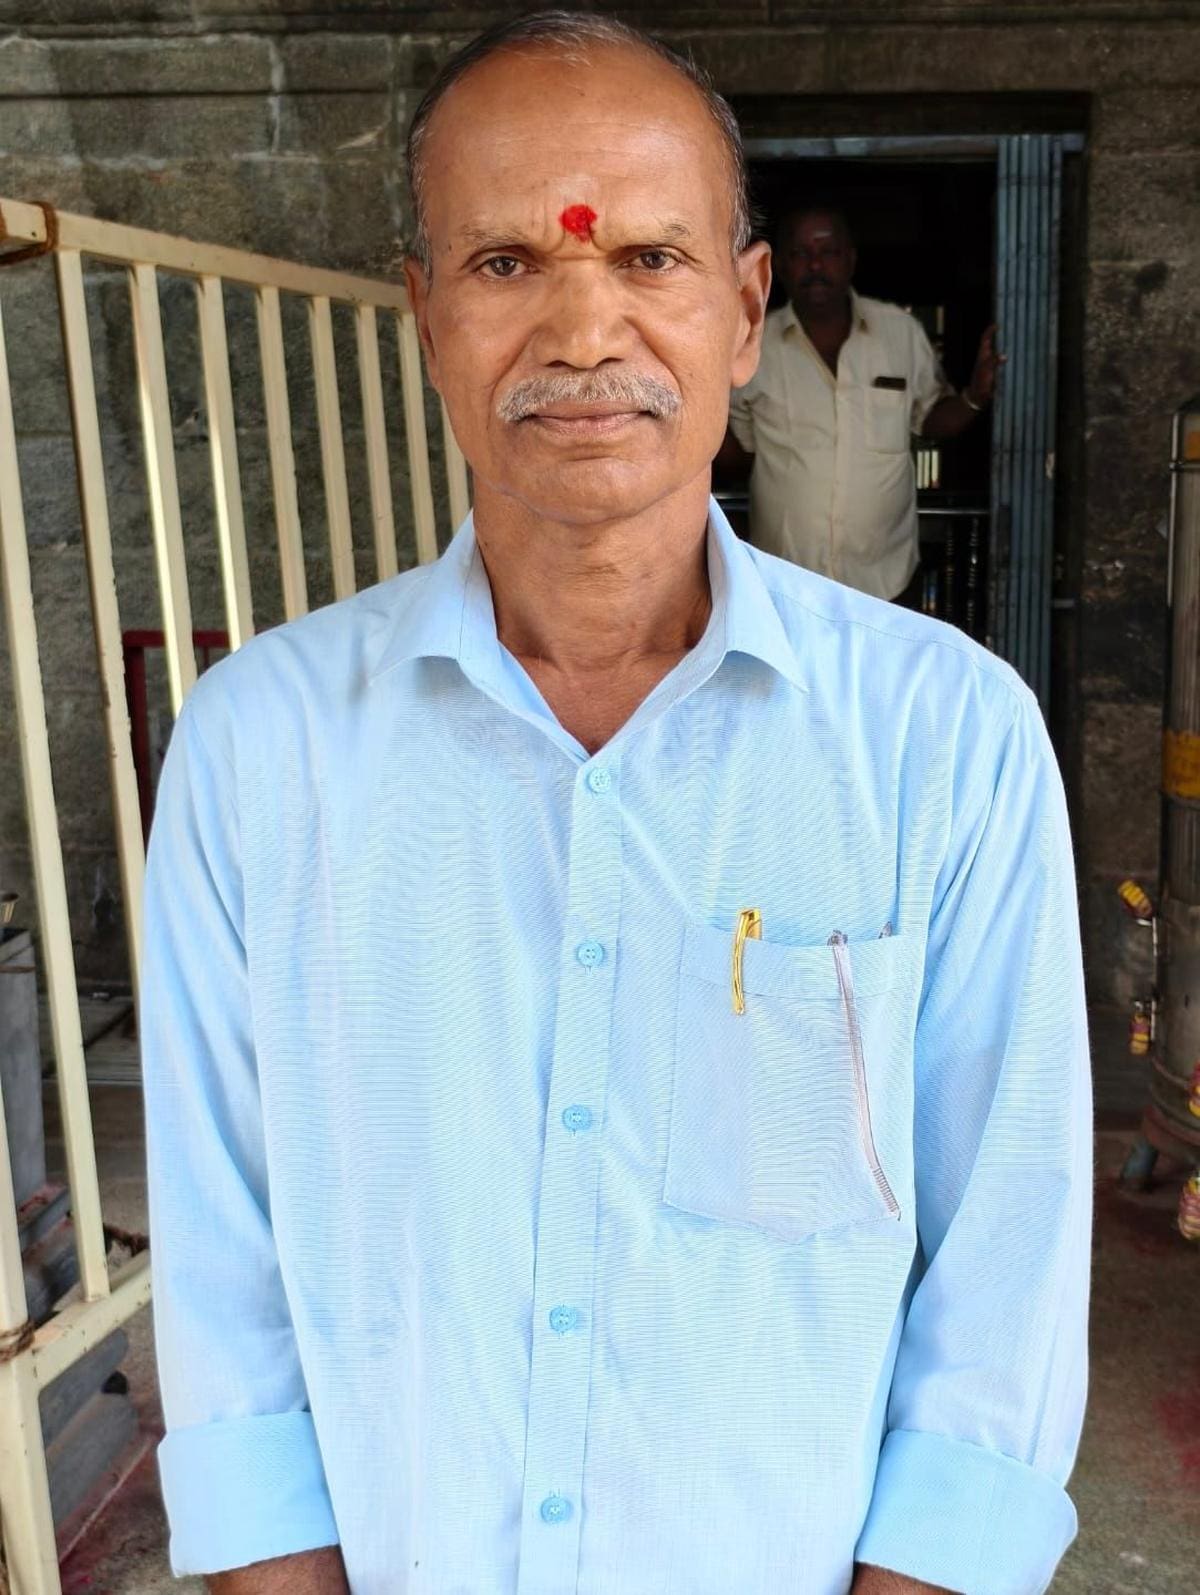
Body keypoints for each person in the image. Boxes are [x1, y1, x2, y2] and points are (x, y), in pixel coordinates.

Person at [140, 12, 1091, 1595]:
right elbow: (227, 1290)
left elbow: (1006, 1277)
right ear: (425, 314)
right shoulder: (260, 751)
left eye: (649, 257)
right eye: (506, 262)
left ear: (743, 309)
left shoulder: (949, 743)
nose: (584, 330)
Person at [719, 204, 1005, 604]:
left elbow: (930, 418)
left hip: (886, 582)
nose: (815, 265)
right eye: (801, 254)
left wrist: (974, 396)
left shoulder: (900, 333)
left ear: (851, 260)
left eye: (828, 252)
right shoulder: (754, 346)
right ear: (778, 266)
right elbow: (739, 455)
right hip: (785, 585)